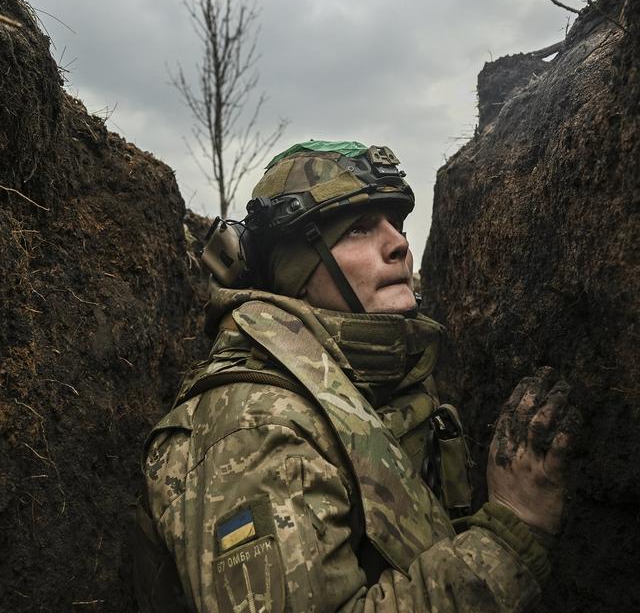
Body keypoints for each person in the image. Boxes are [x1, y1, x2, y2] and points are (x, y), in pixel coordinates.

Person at [134, 141, 572, 612]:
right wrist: (509, 534)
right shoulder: (256, 427)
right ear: (295, 273)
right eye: (359, 229)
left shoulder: (374, 383)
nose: (399, 244)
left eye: (395, 224)